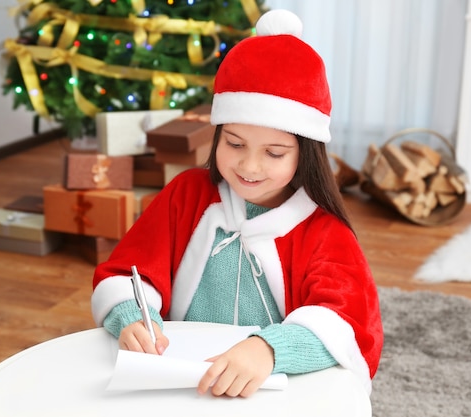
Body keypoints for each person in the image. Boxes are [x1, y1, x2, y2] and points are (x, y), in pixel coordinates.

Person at [91, 9, 383, 399]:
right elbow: (128, 272)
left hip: (270, 393)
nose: (249, 166)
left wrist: (270, 349)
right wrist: (130, 316)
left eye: (274, 153)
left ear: (305, 153)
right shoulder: (186, 194)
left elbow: (347, 324)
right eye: (235, 144)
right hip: (182, 383)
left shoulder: (323, 229)